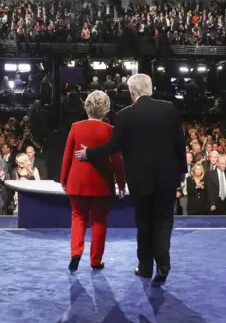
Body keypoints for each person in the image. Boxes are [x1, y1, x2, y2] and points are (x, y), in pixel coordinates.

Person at [75, 74, 187, 286]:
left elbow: (112, 148)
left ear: (132, 93)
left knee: (144, 224)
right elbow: (179, 144)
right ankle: (163, 264)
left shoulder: (125, 115)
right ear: (150, 89)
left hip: (140, 179)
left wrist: (89, 153)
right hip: (167, 177)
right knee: (163, 222)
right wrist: (182, 171)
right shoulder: (170, 109)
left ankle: (145, 268)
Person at [61, 91, 126, 272]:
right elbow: (117, 161)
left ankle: (76, 253)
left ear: (86, 106)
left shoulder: (75, 127)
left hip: (78, 181)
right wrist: (121, 184)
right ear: (106, 110)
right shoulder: (110, 130)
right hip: (102, 183)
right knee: (99, 221)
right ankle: (95, 260)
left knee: (78, 217)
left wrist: (63, 179)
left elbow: (67, 155)